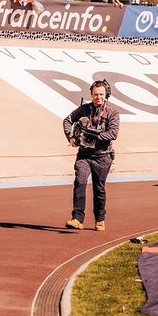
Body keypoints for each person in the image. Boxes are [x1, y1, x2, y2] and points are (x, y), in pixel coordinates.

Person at [62, 79, 120, 231]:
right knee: (79, 182)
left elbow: (113, 134)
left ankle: (100, 219)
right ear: (91, 94)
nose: (98, 97)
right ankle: (77, 219)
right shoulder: (84, 109)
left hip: (103, 156)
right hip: (84, 155)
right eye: (95, 94)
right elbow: (67, 120)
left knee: (99, 189)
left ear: (106, 94)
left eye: (101, 94)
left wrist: (94, 135)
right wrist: (71, 137)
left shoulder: (113, 112)